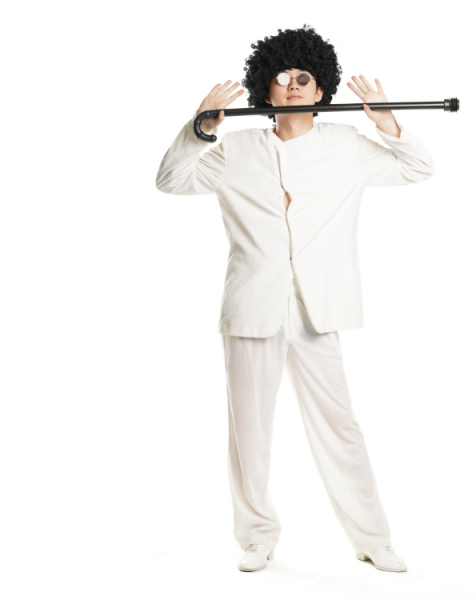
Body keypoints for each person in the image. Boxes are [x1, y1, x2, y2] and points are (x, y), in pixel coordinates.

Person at [155, 24, 435, 573]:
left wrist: (388, 124)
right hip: (251, 306)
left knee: (340, 427)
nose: (292, 86)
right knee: (249, 431)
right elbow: (169, 180)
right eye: (281, 78)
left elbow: (418, 168)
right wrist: (197, 129)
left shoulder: (347, 146)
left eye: (303, 78)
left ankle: (373, 538)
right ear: (265, 87)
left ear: (321, 88)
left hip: (317, 309)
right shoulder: (234, 150)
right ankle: (256, 537)